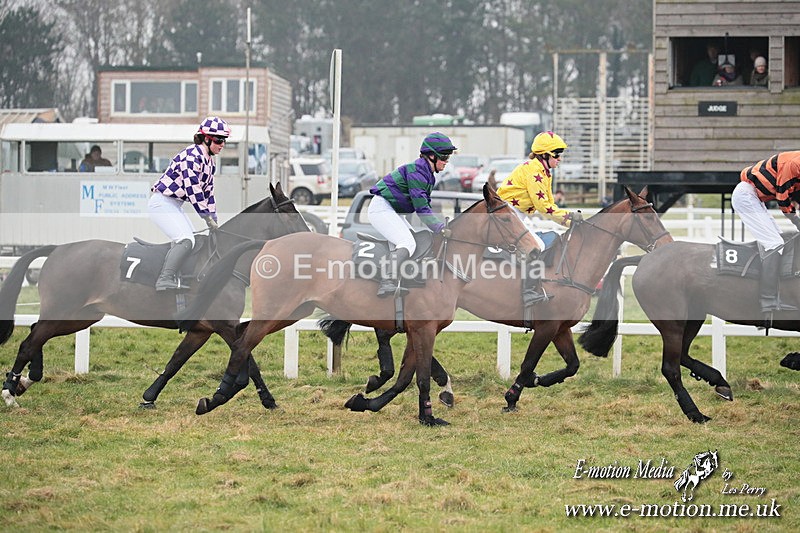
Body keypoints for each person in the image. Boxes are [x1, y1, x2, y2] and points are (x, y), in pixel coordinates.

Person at [497, 131, 582, 304]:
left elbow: (550, 203)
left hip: (515, 214)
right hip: (508, 215)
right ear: (545, 154)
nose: (560, 158)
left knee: (547, 239)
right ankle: (528, 292)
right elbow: (544, 208)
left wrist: (568, 219)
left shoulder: (543, 171)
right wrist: (569, 218)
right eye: (557, 154)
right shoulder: (534, 171)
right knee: (538, 245)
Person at [368, 132, 456, 298]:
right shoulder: (417, 173)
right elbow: (422, 209)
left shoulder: (426, 173)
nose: (446, 162)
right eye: (444, 157)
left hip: (393, 210)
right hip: (381, 209)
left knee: (415, 242)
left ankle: (401, 280)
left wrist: (439, 225)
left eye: (448, 158)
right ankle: (387, 282)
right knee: (407, 243)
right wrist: (440, 227)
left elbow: (425, 206)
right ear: (431, 156)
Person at [148, 116, 229, 291]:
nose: (222, 144)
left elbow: (209, 193)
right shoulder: (192, 156)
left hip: (172, 204)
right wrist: (207, 218)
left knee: (194, 241)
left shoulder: (209, 162)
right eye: (219, 140)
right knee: (186, 239)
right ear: (206, 139)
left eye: (224, 140)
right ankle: (164, 278)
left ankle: (177, 276)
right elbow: (194, 190)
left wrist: (214, 218)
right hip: (161, 203)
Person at [731, 151, 800, 315]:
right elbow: (783, 200)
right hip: (747, 196)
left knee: (780, 240)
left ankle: (780, 290)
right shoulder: (794, 165)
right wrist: (797, 222)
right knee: (774, 243)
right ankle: (767, 299)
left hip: (754, 197)